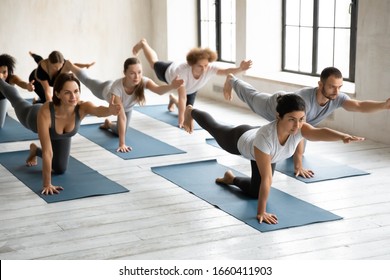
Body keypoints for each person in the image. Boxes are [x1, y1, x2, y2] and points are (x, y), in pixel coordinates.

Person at [182, 94, 364, 224]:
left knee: (255, 191)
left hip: (267, 150)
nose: (297, 125)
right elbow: (268, 179)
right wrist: (261, 212)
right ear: (279, 116)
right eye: (292, 119)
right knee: (215, 127)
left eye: (301, 119)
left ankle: (231, 179)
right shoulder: (266, 138)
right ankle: (192, 111)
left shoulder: (299, 128)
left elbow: (318, 133)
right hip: (240, 140)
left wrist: (342, 136)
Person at [223, 67, 390, 178]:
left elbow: (359, 106)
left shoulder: (337, 97)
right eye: (332, 87)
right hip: (276, 105)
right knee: (251, 96)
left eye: (340, 87)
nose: (337, 91)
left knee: (298, 139)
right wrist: (298, 166)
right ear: (320, 84)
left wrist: (383, 105)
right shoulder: (305, 101)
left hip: (293, 121)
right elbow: (300, 132)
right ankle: (232, 79)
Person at [0, 71, 121, 195]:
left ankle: (35, 150)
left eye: (76, 91)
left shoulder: (83, 107)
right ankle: (1, 82)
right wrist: (47, 184)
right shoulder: (45, 112)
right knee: (16, 100)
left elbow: (98, 111)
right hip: (32, 116)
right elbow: (48, 151)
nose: (73, 97)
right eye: (67, 93)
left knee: (60, 169)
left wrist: (109, 110)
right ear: (57, 94)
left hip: (60, 134)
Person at [65, 57, 184, 152]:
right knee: (88, 81)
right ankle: (71, 65)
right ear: (125, 73)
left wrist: (171, 86)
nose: (136, 76)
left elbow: (158, 90)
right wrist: (122, 144)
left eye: (139, 72)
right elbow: (121, 116)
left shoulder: (143, 81)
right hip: (105, 89)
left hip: (127, 107)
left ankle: (108, 124)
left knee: (119, 132)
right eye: (132, 73)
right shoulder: (117, 88)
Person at [132, 38, 253, 128]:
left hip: (191, 90)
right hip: (168, 72)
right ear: (191, 64)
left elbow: (225, 71)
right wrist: (180, 121)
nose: (204, 69)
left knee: (188, 111)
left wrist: (240, 69)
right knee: (154, 63)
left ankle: (172, 100)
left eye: (206, 65)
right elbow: (183, 96)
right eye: (200, 66)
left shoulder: (209, 68)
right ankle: (143, 43)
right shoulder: (183, 72)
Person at [28, 51, 95, 103]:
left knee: (54, 99)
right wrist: (51, 110)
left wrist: (86, 65)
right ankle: (35, 102)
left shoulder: (63, 63)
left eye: (59, 67)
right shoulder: (42, 70)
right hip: (35, 81)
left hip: (52, 80)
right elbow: (47, 91)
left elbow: (73, 65)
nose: (57, 69)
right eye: (54, 67)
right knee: (45, 100)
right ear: (49, 63)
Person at [0, 54, 35, 128]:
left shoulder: (12, 78)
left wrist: (27, 86)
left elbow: (20, 82)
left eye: (4, 72)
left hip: (2, 99)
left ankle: (3, 111)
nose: (2, 75)